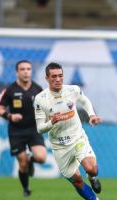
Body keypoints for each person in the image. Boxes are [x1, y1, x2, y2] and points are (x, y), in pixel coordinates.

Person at [34, 62, 102, 200]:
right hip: (59, 146)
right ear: (47, 78)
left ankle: (92, 177)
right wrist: (51, 122)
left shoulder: (72, 90)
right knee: (77, 181)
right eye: (53, 77)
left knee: (91, 168)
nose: (58, 79)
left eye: (60, 76)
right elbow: (40, 129)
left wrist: (92, 115)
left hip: (77, 138)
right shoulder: (40, 99)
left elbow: (85, 100)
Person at [0, 60, 47, 197]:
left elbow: (46, 107)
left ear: (31, 71)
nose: (26, 71)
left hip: (33, 130)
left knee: (41, 158)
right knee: (22, 163)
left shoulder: (38, 89)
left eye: (28, 69)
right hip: (16, 132)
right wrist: (9, 116)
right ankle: (26, 188)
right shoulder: (10, 90)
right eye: (22, 69)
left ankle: (32, 160)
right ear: (17, 72)